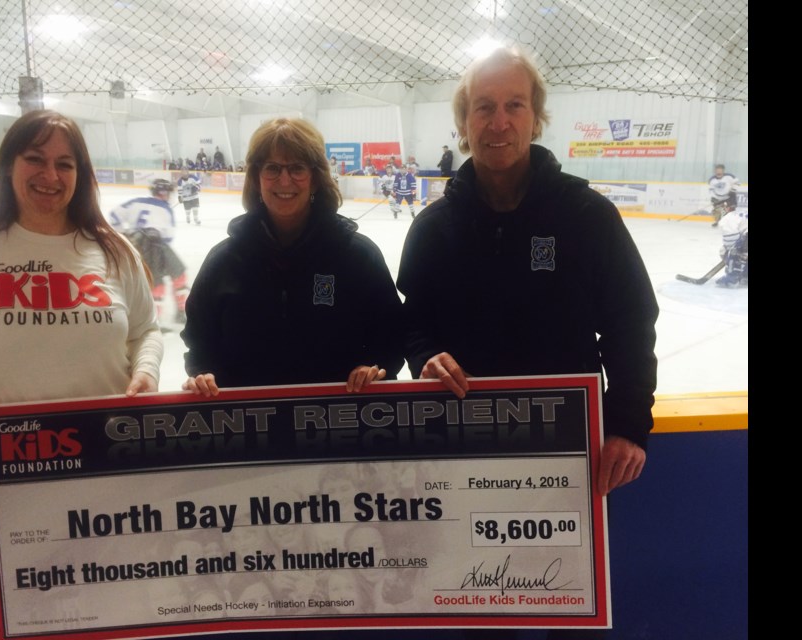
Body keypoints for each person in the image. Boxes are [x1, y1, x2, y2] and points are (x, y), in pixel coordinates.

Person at [397, 43, 658, 640]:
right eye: (484, 107)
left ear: (536, 118)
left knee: (570, 611)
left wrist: (628, 424)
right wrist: (423, 355)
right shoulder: (433, 227)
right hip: (466, 453)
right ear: (464, 123)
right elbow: (411, 319)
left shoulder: (587, 216)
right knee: (481, 614)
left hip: (568, 456)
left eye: (515, 104)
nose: (499, 121)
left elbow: (630, 320)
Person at [0, 110, 164, 604]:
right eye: (35, 159)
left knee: (108, 607)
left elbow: (147, 331)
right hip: (3, 476)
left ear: (81, 175)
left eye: (65, 164)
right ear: (9, 166)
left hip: (105, 470)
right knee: (25, 612)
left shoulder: (114, 252)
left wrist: (145, 371)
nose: (51, 175)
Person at [181, 117, 404, 397]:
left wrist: (376, 366)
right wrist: (202, 373)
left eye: (297, 168)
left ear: (315, 179)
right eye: (272, 168)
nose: (284, 180)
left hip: (337, 424)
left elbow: (391, 335)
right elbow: (199, 341)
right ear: (256, 177)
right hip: (248, 427)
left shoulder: (358, 255)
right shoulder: (223, 260)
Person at [108, 178, 191, 324]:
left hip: (135, 245)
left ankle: (152, 317)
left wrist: (125, 234)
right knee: (176, 276)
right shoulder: (166, 209)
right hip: (156, 247)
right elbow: (168, 237)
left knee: (152, 281)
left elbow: (114, 215)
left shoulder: (136, 202)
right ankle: (169, 316)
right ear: (165, 193)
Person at [715, 207, 748, 287]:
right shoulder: (741, 213)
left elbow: (732, 246)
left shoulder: (727, 219)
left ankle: (732, 278)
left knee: (730, 251)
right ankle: (745, 275)